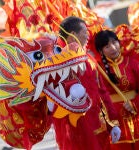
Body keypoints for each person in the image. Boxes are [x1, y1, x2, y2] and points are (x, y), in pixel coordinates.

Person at [51, 16, 121, 150]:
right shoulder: (59, 63)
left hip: (99, 124)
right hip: (78, 127)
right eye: (84, 32)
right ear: (73, 35)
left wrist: (112, 122)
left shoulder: (88, 59)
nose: (88, 35)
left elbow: (102, 92)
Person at [94, 29, 139, 150]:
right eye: (106, 46)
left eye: (114, 42)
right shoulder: (98, 70)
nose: (112, 48)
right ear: (100, 51)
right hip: (115, 119)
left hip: (138, 116)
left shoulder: (132, 63)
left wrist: (135, 104)